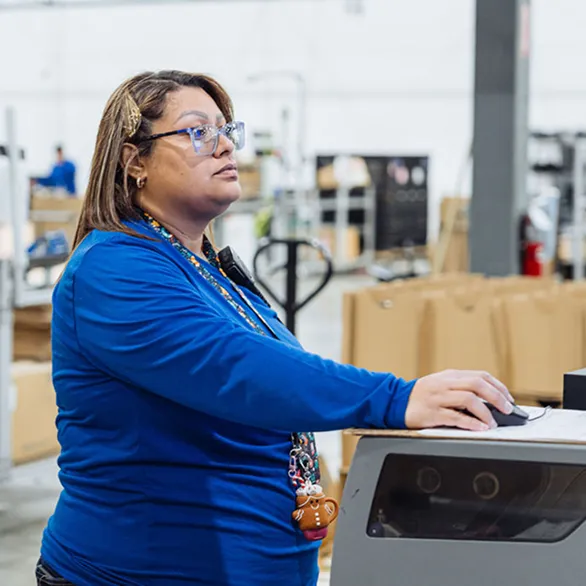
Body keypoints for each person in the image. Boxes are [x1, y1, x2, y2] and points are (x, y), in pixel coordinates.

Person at [37, 70, 514, 586]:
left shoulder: (206, 267)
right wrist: (395, 398)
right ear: (135, 161)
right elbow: (235, 370)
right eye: (198, 132)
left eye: (226, 130)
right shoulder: (113, 268)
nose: (224, 146)